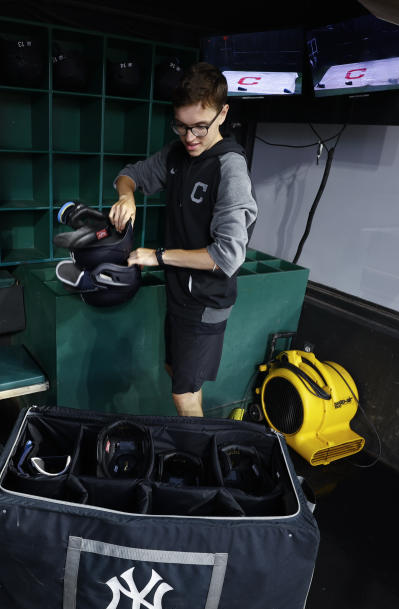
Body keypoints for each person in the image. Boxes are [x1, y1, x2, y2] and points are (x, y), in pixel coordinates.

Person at [108, 62, 258, 417]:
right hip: (180, 294)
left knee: (184, 395)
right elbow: (129, 175)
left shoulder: (229, 169)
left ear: (223, 113)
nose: (190, 137)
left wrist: (157, 257)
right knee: (179, 376)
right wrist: (127, 195)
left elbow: (227, 256)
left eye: (200, 127)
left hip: (206, 300)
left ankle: (202, 465)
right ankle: (198, 448)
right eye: (181, 126)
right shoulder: (177, 153)